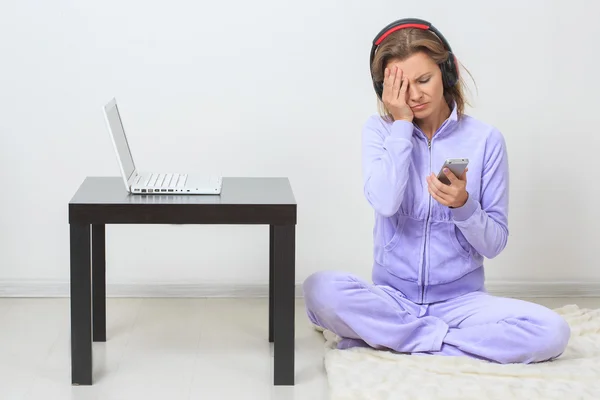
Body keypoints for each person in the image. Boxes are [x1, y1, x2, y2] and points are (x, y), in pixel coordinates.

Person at [302, 18, 570, 364]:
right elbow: (384, 202)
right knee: (319, 290)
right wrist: (401, 126)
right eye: (400, 86)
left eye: (424, 80)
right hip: (392, 298)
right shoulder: (380, 132)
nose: (414, 96)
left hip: (463, 303)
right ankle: (445, 342)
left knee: (552, 332)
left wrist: (464, 206)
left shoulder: (485, 140)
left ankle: (398, 338)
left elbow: (495, 243)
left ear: (448, 71)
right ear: (383, 89)